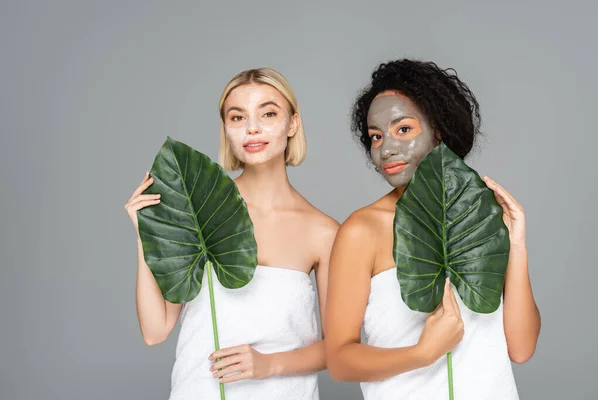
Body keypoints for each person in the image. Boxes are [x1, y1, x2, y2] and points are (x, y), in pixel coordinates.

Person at [324, 59, 541, 399]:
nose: (387, 149)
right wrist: (421, 354)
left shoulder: (481, 215)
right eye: (376, 137)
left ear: (438, 129)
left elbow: (522, 348)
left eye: (404, 129)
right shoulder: (361, 230)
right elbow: (339, 360)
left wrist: (516, 246)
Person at [124, 67, 338, 399]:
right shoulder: (197, 211)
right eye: (237, 118)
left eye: (268, 113)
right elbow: (155, 330)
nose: (252, 128)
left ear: (292, 123)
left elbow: (338, 349)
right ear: (226, 129)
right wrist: (145, 235)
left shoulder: (323, 232)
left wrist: (268, 364)